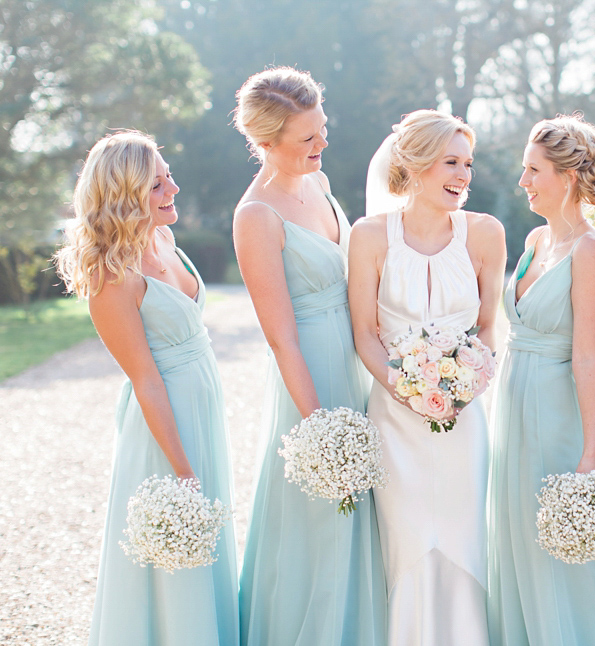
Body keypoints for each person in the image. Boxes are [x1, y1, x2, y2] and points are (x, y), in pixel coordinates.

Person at [55, 131, 239, 645]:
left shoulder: (164, 239)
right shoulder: (111, 277)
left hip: (201, 405)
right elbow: (146, 380)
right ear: (126, 195)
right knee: (173, 554)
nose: (173, 189)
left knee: (206, 546)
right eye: (157, 184)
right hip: (164, 425)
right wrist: (182, 469)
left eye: (169, 175)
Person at [231, 67, 387, 646]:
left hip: (352, 359)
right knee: (318, 516)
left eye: (323, 129)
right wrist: (320, 426)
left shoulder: (318, 186)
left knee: (359, 519)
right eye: (307, 138)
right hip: (310, 376)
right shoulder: (256, 217)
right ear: (266, 143)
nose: (323, 144)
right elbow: (281, 338)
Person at [348, 109, 506, 646]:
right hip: (394, 419)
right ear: (415, 165)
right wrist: (408, 390)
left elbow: (488, 325)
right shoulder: (369, 236)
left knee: (463, 536)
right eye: (451, 163)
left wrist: (463, 384)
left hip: (463, 418)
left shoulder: (484, 233)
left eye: (468, 164)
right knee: (407, 538)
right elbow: (365, 333)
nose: (463, 175)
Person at [486, 115, 595, 646]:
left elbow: (588, 356)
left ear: (566, 177)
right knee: (515, 531)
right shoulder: (536, 238)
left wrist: (589, 455)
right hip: (513, 398)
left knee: (556, 540)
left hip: (555, 408)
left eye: (533, 170)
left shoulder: (592, 251)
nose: (524, 181)